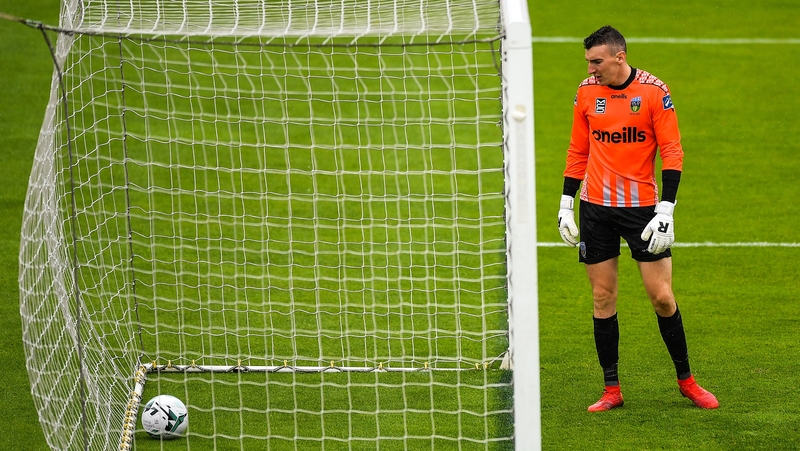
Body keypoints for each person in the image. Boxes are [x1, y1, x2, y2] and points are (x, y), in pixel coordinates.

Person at [557, 25, 718, 412]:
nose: (592, 69)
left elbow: (672, 151)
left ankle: (688, 381)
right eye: (588, 62)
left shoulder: (653, 92)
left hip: (643, 211)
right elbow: (578, 150)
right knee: (602, 297)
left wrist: (667, 208)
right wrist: (566, 203)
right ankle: (611, 389)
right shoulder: (585, 92)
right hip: (595, 208)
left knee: (662, 298)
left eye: (597, 62)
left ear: (619, 57)